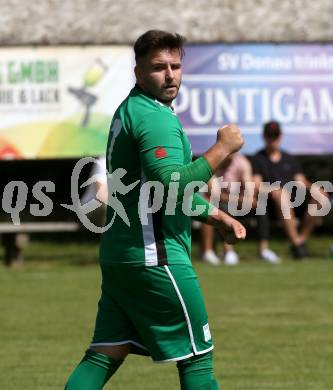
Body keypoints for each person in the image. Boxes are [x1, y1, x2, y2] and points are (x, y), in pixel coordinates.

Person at [65, 30, 246, 390]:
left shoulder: (133, 109)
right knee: (197, 358)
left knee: (104, 353)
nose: (170, 75)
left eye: (176, 66)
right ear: (138, 73)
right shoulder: (154, 117)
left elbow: (160, 190)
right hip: (155, 256)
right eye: (159, 67)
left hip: (122, 253)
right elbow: (173, 184)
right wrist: (222, 148)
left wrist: (216, 215)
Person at [252, 120, 325, 260]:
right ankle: (297, 246)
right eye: (270, 136)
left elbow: (301, 181)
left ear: (281, 136)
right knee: (282, 195)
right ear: (264, 137)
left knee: (321, 196)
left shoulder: (289, 158)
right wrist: (272, 190)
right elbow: (255, 184)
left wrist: (315, 188)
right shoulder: (258, 159)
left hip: (294, 201)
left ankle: (299, 241)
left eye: (276, 136)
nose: (273, 140)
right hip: (270, 205)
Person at [201, 153, 255, 266]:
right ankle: (210, 252)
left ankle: (229, 252)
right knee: (209, 205)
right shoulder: (211, 162)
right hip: (216, 202)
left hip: (235, 204)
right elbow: (215, 193)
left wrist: (244, 199)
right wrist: (239, 199)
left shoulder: (242, 163)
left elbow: (250, 192)